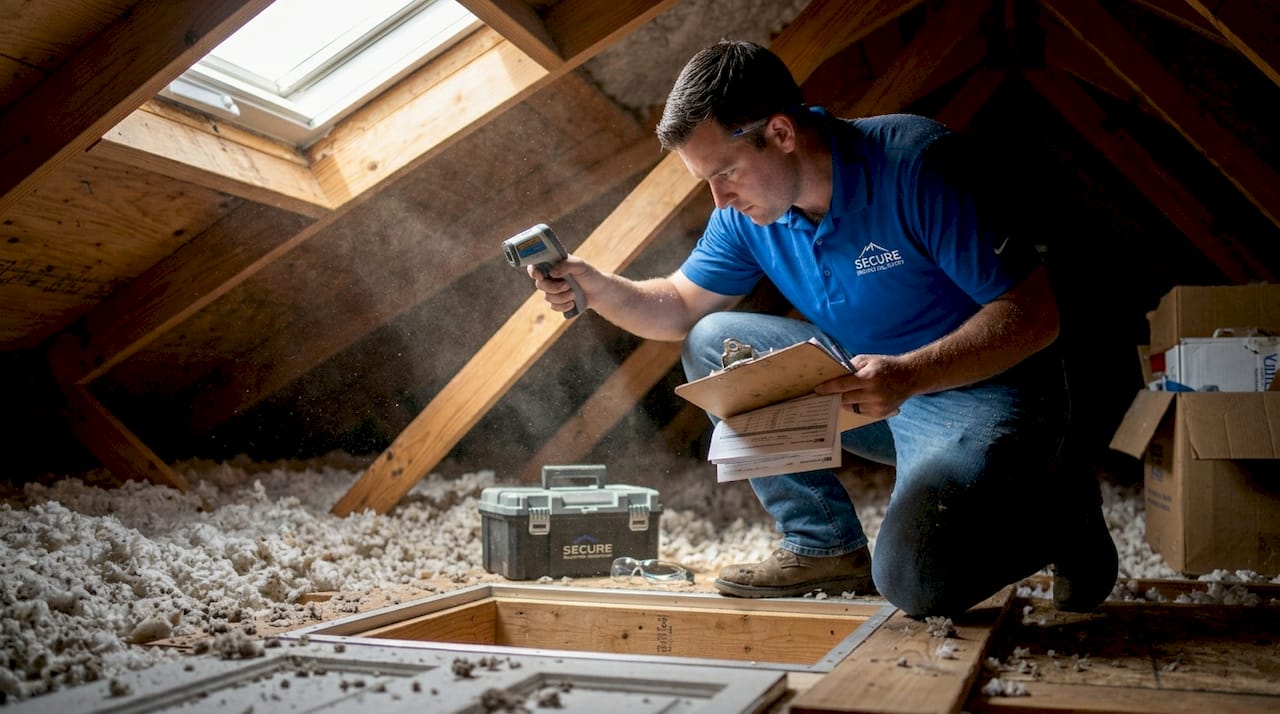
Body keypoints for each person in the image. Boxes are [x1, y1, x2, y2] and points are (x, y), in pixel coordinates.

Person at [526, 40, 1118, 617]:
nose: (720, 198)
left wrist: (912, 375)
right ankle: (822, 545)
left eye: (726, 172)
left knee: (915, 582)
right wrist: (597, 287)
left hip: (990, 400)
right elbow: (679, 304)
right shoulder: (749, 215)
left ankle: (1063, 513)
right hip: (878, 390)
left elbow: (1035, 317)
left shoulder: (916, 164)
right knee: (712, 343)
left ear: (781, 134)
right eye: (706, 180)